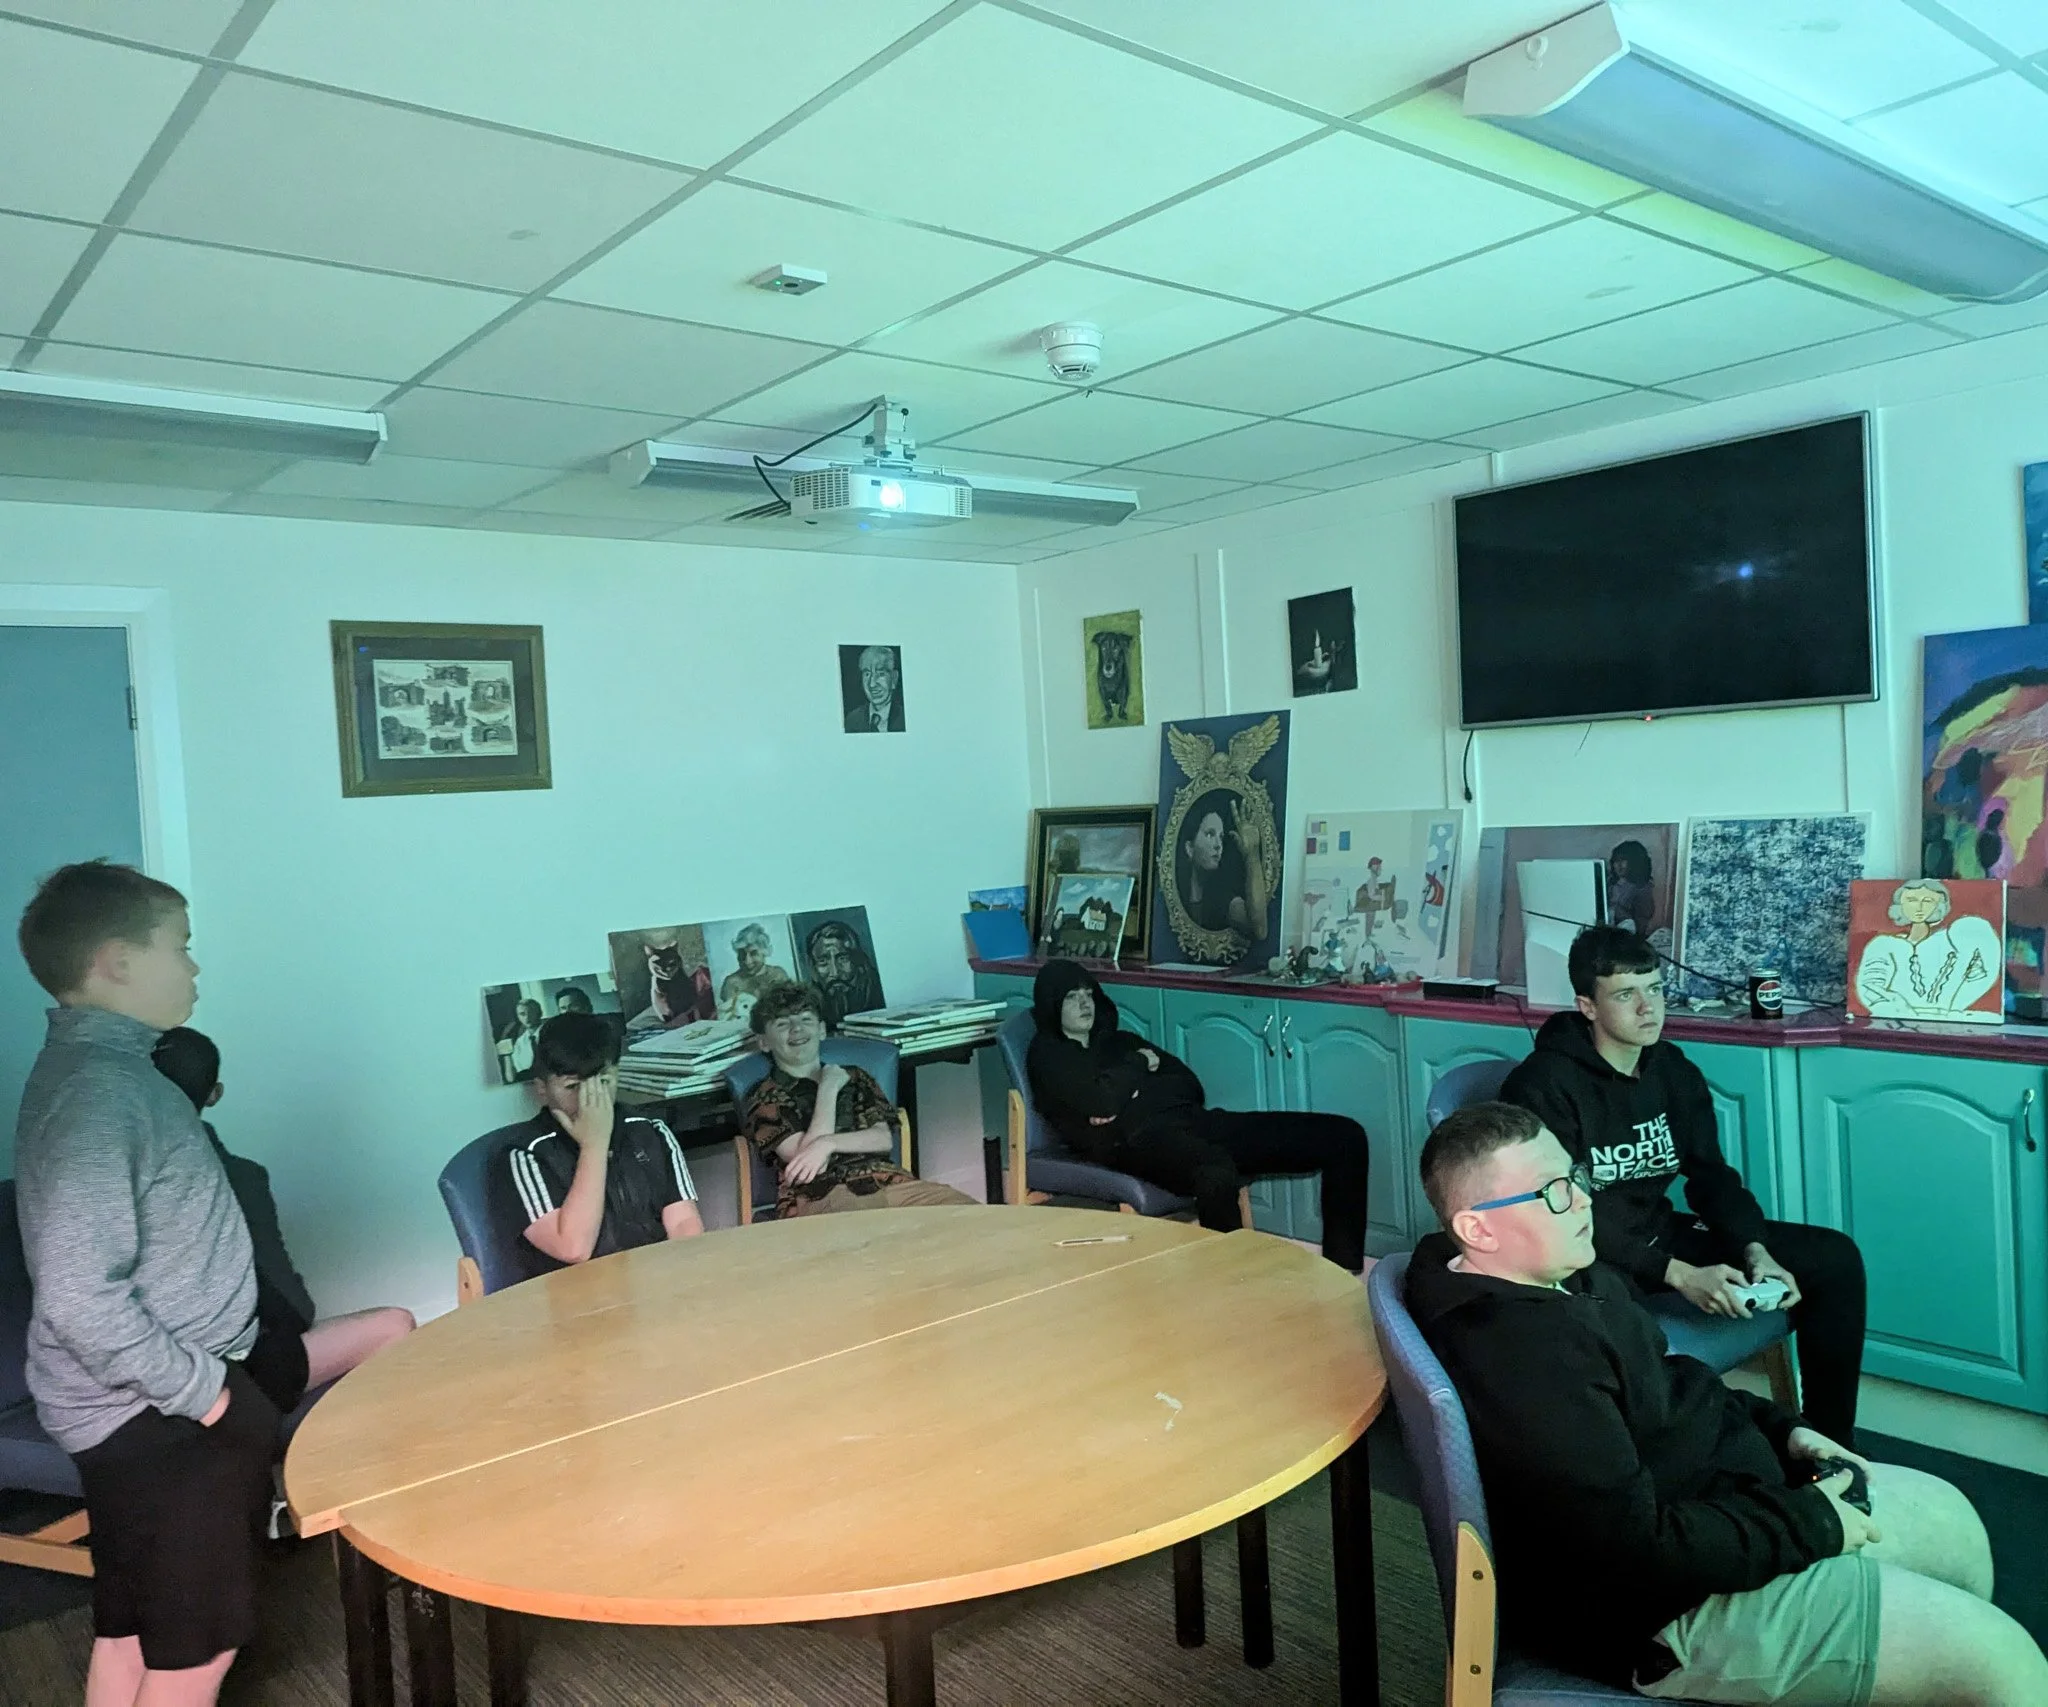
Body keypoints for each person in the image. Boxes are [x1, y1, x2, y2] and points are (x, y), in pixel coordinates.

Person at [1411, 1100, 2046, 1704]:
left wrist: (1783, 1431)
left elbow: (1672, 1382)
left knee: (1955, 1527)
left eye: (1575, 1176)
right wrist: (1815, 1522)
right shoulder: (1525, 1358)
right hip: (1673, 1611)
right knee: (2006, 1665)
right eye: (1553, 1192)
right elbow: (1632, 1550)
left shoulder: (1565, 1275)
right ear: (1477, 1228)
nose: (1582, 1199)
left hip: (1729, 1507)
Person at [13, 861, 271, 1707]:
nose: (194, 968)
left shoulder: (109, 1071)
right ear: (117, 962)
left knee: (130, 1627)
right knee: (196, 1653)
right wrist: (213, 1398)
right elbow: (82, 1296)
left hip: (133, 1410)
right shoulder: (99, 1094)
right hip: (155, 1417)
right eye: (181, 948)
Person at [1501, 924, 1868, 1444]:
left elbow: (1711, 1176)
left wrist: (1754, 1248)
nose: (1648, 1008)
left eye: (1655, 989)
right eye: (1626, 994)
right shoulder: (1542, 1086)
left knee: (1834, 1258)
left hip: (1658, 1236)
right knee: (1620, 1327)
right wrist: (1678, 1275)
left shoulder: (1670, 1069)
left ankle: (1831, 1445)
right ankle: (1685, 1460)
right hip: (1589, 1257)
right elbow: (1563, 1215)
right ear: (1588, 1006)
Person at [1025, 959, 1369, 1271]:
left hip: (1197, 1121)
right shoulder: (1050, 1057)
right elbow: (1102, 1103)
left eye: (1088, 993)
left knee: (1344, 1136)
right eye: (1072, 997)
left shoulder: (1121, 1042)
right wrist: (1141, 1068)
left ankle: (1344, 1272)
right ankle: (1233, 1286)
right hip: (1137, 1143)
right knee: (1214, 1172)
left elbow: (1188, 1083)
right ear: (1053, 1004)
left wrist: (1127, 1093)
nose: (1085, 1004)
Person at [151, 1027, 414, 1414]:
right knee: (396, 1325)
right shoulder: (241, 1178)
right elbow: (293, 1307)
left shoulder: (104, 1177)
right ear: (215, 1094)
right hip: (223, 1374)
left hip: (144, 1374)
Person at [738, 983, 975, 1217]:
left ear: (821, 1030)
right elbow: (809, 1163)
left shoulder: (855, 1076)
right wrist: (828, 1088)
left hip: (887, 1181)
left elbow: (882, 1139)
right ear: (764, 1042)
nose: (797, 1029)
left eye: (806, 1019)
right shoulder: (764, 1096)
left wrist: (828, 1144)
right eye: (782, 1023)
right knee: (873, 1236)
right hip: (820, 1194)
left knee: (970, 1216)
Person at [502, 1012, 704, 1279]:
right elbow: (574, 1248)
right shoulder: (526, 1153)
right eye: (573, 1086)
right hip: (574, 1300)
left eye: (604, 1082)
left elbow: (683, 1223)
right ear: (542, 1088)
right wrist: (594, 1144)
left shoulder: (649, 1130)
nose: (591, 1099)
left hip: (653, 1284)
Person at [1853, 879, 2001, 1019]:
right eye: (1911, 900)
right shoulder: (1883, 945)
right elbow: (1870, 987)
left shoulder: (1955, 938)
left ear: (1938, 906)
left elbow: (1982, 973)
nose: (1919, 907)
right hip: (1895, 1022)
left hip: (1949, 1020)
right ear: (1900, 905)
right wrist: (1894, 1008)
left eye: (1928, 901)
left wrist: (1954, 1008)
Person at [1175, 787, 1271, 942]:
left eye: (1220, 836)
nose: (1218, 844)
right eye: (1210, 834)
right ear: (1189, 848)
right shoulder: (1178, 892)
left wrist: (1252, 854)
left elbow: (1259, 930)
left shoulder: (1221, 897)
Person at [803, 918, 884, 1030]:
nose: (835, 973)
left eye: (842, 958)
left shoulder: (876, 988)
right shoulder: (809, 1000)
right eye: (823, 962)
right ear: (813, 967)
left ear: (856, 959)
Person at [716, 921, 791, 1022]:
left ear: (764, 952)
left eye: (754, 953)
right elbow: (729, 1019)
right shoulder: (732, 982)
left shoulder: (778, 975)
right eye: (742, 954)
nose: (747, 961)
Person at [845, 644, 904, 734]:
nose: (872, 684)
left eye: (881, 674)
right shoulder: (851, 720)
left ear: (894, 678)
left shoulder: (905, 718)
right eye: (867, 674)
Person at [496, 996, 543, 1080]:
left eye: (531, 1012)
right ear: (518, 1017)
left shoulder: (551, 1034)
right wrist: (507, 1054)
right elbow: (511, 1078)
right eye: (522, 1014)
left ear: (539, 1013)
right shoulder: (519, 1043)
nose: (527, 1017)